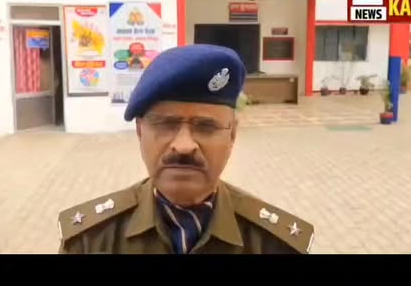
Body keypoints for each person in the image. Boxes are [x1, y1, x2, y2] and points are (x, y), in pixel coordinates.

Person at [58, 44, 314, 255]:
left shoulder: (275, 245)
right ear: (140, 131)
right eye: (165, 124)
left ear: (232, 135)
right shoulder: (90, 242)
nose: (183, 146)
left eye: (206, 126)